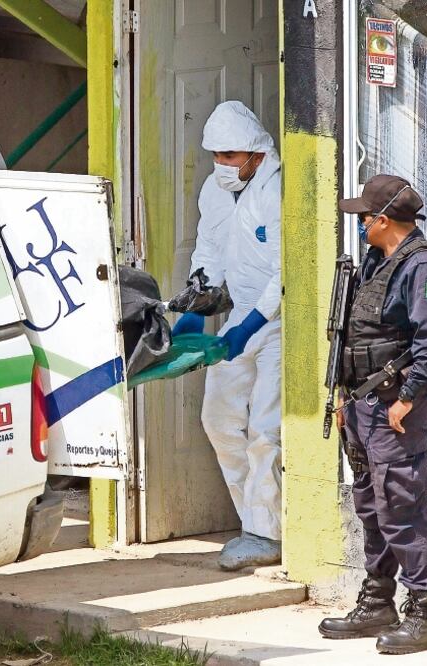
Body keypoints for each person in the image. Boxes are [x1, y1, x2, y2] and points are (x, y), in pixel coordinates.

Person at [318, 175, 427, 654]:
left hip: (394, 408)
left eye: (363, 217)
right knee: (371, 506)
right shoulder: (376, 262)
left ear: (382, 220)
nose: (358, 224)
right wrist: (341, 397)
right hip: (360, 404)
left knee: (400, 506)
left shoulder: (421, 268)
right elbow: (353, 335)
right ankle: (377, 601)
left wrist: (409, 397)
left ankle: (425, 616)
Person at [171, 101, 282, 571]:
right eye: (216, 155)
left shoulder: (277, 191)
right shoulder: (215, 192)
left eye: (231, 155)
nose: (222, 164)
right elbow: (210, 249)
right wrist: (198, 301)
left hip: (278, 324)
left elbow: (285, 270)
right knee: (218, 419)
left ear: (256, 154)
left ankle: (267, 532)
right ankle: (253, 521)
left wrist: (256, 323)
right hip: (238, 317)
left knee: (265, 429)